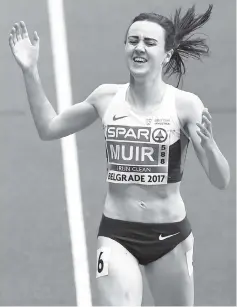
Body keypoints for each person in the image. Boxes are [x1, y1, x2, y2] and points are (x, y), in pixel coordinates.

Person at [9, 4, 230, 306]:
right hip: (117, 233)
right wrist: (30, 71)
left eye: (150, 42)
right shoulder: (105, 98)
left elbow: (221, 180)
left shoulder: (185, 106)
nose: (139, 48)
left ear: (167, 54)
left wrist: (211, 146)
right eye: (133, 40)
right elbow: (49, 127)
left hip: (170, 237)